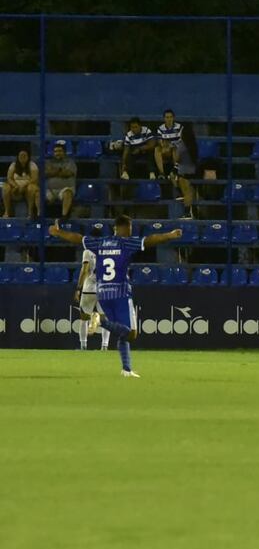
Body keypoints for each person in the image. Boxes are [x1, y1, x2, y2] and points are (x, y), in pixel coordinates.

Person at [48, 215, 183, 377]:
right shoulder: (126, 243)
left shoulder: (99, 242)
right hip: (120, 293)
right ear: (123, 228)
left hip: (103, 293)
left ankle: (126, 369)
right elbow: (150, 240)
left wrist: (58, 233)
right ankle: (100, 320)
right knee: (131, 333)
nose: (131, 232)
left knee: (121, 333)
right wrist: (169, 235)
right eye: (130, 228)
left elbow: (77, 238)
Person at [74, 228, 110, 351]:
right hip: (104, 289)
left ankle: (83, 346)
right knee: (105, 319)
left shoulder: (88, 251)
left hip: (89, 288)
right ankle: (104, 346)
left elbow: (84, 271)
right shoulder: (107, 251)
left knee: (84, 319)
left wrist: (78, 288)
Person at [170, 123, 199, 219]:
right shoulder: (194, 144)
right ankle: (191, 212)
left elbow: (177, 159)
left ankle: (187, 213)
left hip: (184, 172)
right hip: (193, 171)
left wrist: (174, 150)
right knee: (189, 192)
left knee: (187, 193)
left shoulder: (181, 144)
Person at [3, 149, 39, 218]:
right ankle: (7, 211)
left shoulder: (32, 165)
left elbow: (34, 178)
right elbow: (9, 178)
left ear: (28, 157)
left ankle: (30, 212)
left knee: (31, 188)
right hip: (15, 188)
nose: (22, 157)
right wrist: (15, 186)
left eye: (24, 155)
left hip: (27, 187)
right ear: (18, 156)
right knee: (5, 187)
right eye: (21, 155)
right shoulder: (13, 165)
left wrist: (24, 185)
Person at [44, 141, 76, 219]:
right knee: (38, 193)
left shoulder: (70, 162)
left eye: (60, 151)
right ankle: (39, 217)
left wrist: (54, 171)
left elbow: (67, 173)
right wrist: (61, 170)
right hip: (50, 190)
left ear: (64, 152)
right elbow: (46, 173)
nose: (57, 153)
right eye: (55, 151)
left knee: (67, 193)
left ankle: (64, 216)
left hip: (65, 189)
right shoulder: (48, 162)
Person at [154, 109, 182, 178]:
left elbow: (182, 141)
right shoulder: (160, 129)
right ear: (164, 119)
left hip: (177, 151)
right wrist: (164, 146)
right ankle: (162, 173)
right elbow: (160, 142)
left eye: (170, 117)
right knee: (157, 149)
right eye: (167, 117)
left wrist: (171, 145)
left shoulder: (179, 127)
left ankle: (176, 171)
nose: (169, 119)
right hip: (166, 151)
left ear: (173, 118)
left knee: (175, 148)